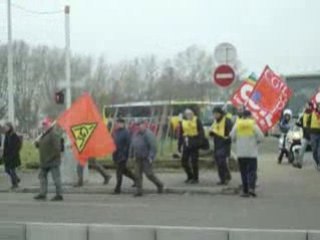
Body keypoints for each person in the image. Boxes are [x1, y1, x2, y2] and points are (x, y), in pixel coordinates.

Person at [230, 110, 264, 197]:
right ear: (250, 116)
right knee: (252, 171)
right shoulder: (253, 125)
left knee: (243, 172)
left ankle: (245, 190)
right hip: (252, 153)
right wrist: (256, 141)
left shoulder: (237, 125)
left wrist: (238, 141)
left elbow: (232, 137)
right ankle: (251, 188)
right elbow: (261, 137)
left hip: (241, 153)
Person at [131, 121, 164, 197]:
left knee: (149, 174)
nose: (139, 127)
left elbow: (153, 147)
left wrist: (151, 157)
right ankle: (139, 191)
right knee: (137, 174)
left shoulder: (149, 134)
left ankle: (160, 185)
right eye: (138, 125)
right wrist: (132, 154)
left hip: (146, 158)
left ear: (144, 125)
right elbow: (133, 144)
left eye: (140, 125)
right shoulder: (136, 134)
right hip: (138, 157)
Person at [34, 118, 63, 201]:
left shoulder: (54, 134)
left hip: (53, 161)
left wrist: (51, 158)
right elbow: (43, 145)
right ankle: (43, 193)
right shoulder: (43, 135)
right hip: (44, 161)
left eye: (45, 125)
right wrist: (37, 144)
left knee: (56, 178)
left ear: (49, 125)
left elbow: (57, 149)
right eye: (43, 125)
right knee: (42, 177)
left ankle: (59, 195)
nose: (43, 126)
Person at [178, 109, 204, 184]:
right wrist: (179, 145)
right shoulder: (183, 122)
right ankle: (190, 175)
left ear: (193, 114)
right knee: (184, 161)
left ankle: (196, 178)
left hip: (195, 142)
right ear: (185, 115)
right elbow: (181, 134)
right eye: (187, 114)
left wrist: (199, 142)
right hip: (186, 142)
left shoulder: (197, 120)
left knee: (194, 161)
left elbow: (201, 132)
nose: (189, 115)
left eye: (190, 114)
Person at [210, 107, 233, 185]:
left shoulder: (227, 120)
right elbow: (213, 130)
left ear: (220, 113)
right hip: (217, 143)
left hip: (224, 143)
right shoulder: (215, 121)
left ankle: (223, 179)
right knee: (219, 162)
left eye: (216, 114)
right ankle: (226, 176)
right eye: (214, 114)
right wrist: (211, 133)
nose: (215, 115)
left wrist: (227, 139)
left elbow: (231, 132)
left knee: (221, 162)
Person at [112, 118, 136, 194]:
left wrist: (127, 155)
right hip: (116, 155)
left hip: (122, 155)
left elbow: (129, 144)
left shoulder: (126, 133)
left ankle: (117, 189)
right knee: (124, 171)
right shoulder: (115, 132)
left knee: (119, 172)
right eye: (117, 123)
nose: (117, 124)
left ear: (123, 124)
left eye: (119, 123)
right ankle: (136, 179)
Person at [293, 102, 313, 169]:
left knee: (316, 151)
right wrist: (297, 124)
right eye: (305, 106)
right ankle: (299, 163)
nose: (305, 107)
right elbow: (300, 124)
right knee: (302, 149)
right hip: (305, 135)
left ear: (310, 106)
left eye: (307, 106)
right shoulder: (303, 115)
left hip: (314, 135)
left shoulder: (314, 114)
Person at [2, 122, 22, 189]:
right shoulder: (7, 135)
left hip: (13, 156)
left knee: (12, 170)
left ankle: (15, 184)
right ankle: (16, 179)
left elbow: (18, 145)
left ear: (10, 127)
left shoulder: (14, 135)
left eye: (6, 127)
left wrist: (14, 153)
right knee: (7, 170)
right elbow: (5, 146)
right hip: (7, 156)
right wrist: (4, 154)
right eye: (5, 127)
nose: (5, 128)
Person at [308, 100, 320, 170]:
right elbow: (307, 122)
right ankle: (317, 162)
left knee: (319, 151)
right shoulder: (312, 113)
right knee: (314, 150)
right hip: (313, 134)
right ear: (317, 107)